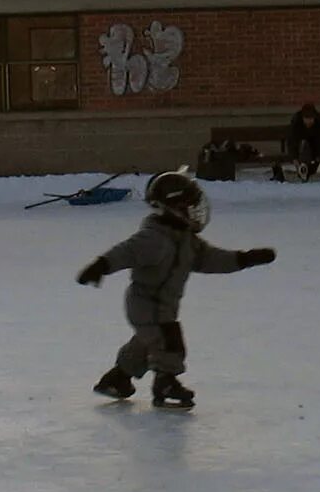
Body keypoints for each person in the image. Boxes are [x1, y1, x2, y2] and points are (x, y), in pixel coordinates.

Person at [77, 170, 277, 408]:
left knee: (147, 340)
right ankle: (166, 381)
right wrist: (101, 266)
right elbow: (126, 252)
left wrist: (244, 259)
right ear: (175, 207)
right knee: (169, 340)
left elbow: (212, 259)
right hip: (146, 303)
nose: (196, 210)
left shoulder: (186, 241)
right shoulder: (154, 239)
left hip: (162, 305)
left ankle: (118, 378)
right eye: (190, 205)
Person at [285, 102, 320, 181]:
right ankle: (304, 170)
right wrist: (294, 158)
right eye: (306, 118)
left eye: (311, 118)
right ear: (302, 118)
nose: (308, 121)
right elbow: (292, 141)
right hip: (304, 150)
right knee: (304, 144)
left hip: (318, 148)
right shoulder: (296, 122)